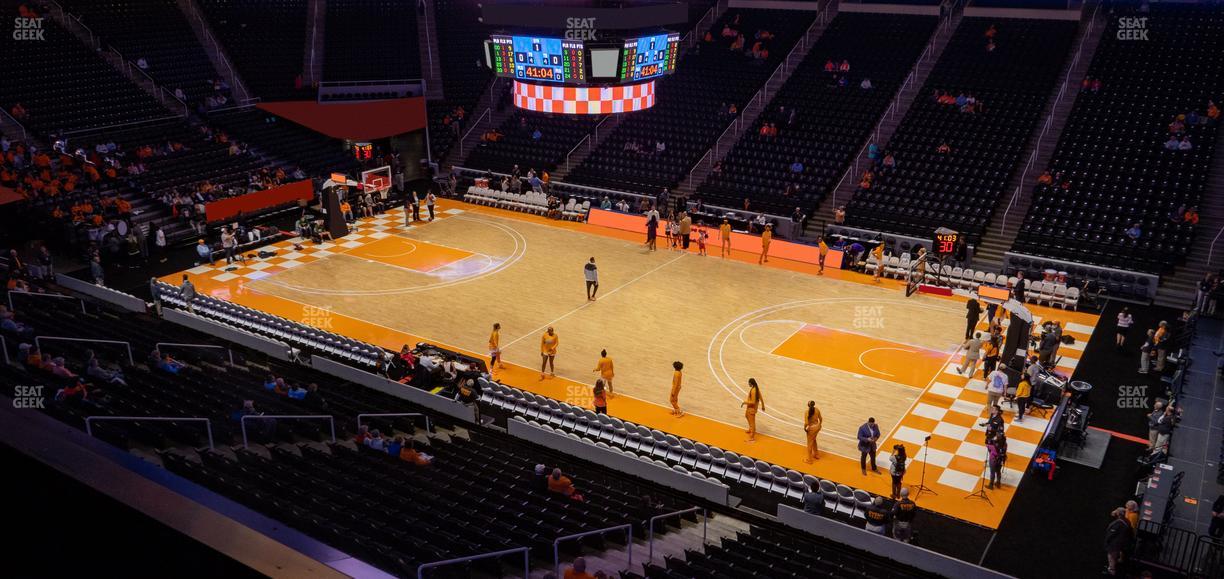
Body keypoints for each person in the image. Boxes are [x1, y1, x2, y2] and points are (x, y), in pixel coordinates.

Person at [1104, 507, 1133, 576]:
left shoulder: (1118, 522)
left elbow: (1112, 533)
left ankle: (1111, 571)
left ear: (1119, 513)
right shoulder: (1127, 521)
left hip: (1115, 543)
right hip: (1122, 543)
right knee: (1115, 557)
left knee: (1111, 556)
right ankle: (1111, 568)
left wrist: (1107, 540)